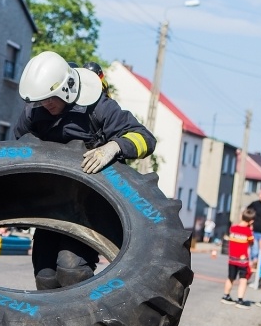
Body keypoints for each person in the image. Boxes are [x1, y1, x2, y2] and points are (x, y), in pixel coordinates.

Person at [13, 51, 156, 290]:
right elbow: (19, 146)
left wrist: (113, 147)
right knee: (45, 276)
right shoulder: (34, 111)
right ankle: (50, 324)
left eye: (51, 98)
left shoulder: (98, 107)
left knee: (71, 269)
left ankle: (84, 322)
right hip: (52, 202)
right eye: (41, 99)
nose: (46, 104)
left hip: (90, 202)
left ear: (66, 88)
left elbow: (146, 139)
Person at [220, 208, 256, 308]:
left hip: (232, 259)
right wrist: (251, 230)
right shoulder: (248, 231)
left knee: (230, 277)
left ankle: (226, 296)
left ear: (241, 216)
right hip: (242, 260)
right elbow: (251, 243)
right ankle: (240, 300)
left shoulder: (233, 228)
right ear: (251, 221)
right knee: (243, 279)